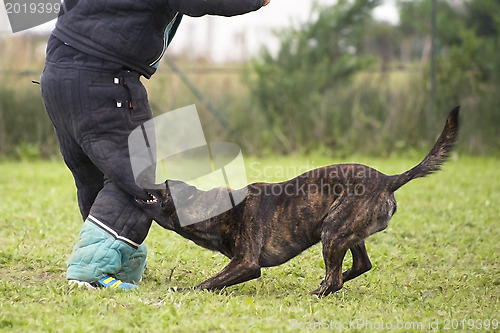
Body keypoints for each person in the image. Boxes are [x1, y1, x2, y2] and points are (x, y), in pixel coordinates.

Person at [40, 0, 271, 289]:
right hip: (105, 80)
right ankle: (91, 272)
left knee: (94, 177)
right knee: (139, 181)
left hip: (58, 75)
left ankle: (120, 261)